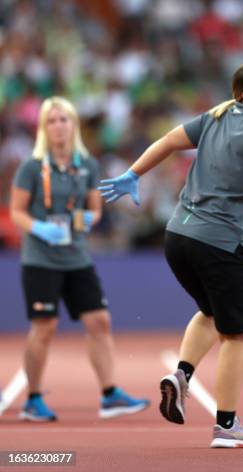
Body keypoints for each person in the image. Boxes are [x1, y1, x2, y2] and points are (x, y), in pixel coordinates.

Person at [98, 63, 243, 447]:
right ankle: (226, 424)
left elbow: (169, 140)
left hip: (178, 236)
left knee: (211, 312)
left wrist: (133, 174)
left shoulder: (216, 115)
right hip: (221, 242)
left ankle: (182, 375)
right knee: (238, 336)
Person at [9, 96, 150, 422]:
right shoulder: (32, 166)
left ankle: (110, 393)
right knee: (44, 327)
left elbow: (94, 208)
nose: (59, 125)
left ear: (74, 124)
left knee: (99, 321)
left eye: (64, 119)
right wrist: (41, 228)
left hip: (76, 256)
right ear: (44, 127)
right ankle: (32, 398)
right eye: (52, 120)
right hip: (40, 257)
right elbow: (16, 212)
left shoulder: (86, 164)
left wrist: (87, 219)